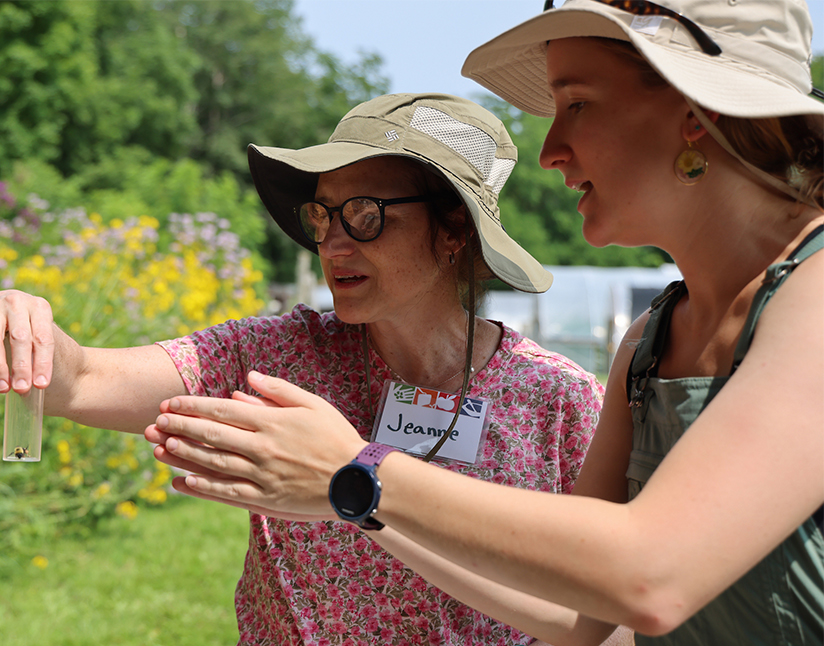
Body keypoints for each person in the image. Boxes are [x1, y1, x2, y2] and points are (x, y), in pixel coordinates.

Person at [148, 1, 824, 643]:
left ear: (694, 111)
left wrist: (356, 468)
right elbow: (575, 611)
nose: (550, 150)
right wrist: (357, 500)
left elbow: (652, 575)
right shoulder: (650, 340)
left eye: (578, 104)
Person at [0, 93, 603, 644]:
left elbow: (613, 615)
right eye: (322, 215)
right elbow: (85, 381)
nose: (333, 243)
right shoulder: (279, 358)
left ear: (454, 225)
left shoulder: (560, 403)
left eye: (365, 215)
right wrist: (25, 317)